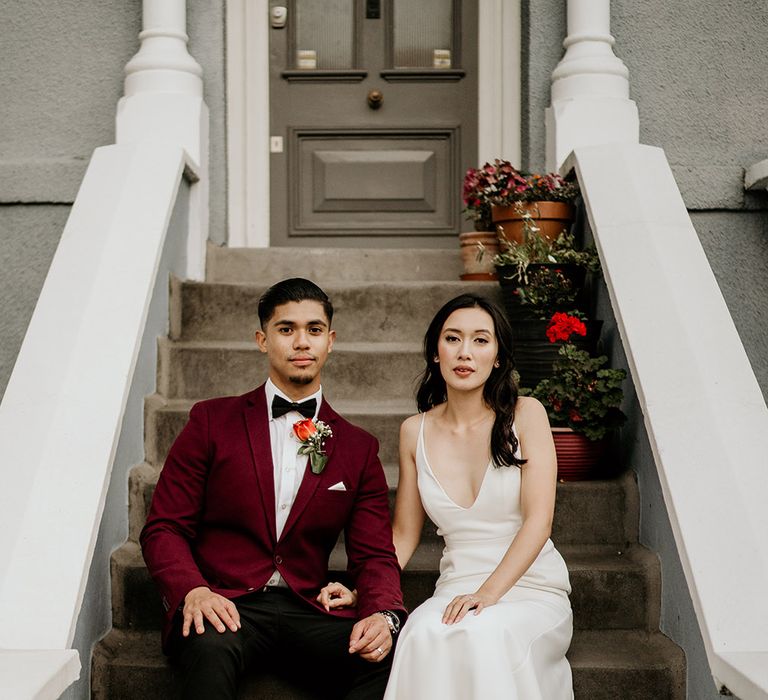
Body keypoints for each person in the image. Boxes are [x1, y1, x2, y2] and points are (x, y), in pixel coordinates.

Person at [141, 277, 406, 700]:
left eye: (314, 330)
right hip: (225, 601)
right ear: (263, 340)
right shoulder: (210, 421)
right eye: (287, 329)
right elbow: (165, 528)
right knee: (210, 645)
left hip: (307, 606)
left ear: (330, 341)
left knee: (388, 654)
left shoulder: (358, 448)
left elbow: (374, 553)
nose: (302, 342)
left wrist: (382, 614)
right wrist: (193, 590)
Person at [319, 294, 573, 699]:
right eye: (453, 339)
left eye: (480, 340)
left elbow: (539, 522)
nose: (465, 352)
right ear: (436, 352)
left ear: (499, 356)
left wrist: (486, 596)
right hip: (455, 588)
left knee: (483, 635)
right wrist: (361, 588)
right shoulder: (413, 431)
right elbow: (402, 534)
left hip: (529, 588)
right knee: (420, 634)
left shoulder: (527, 414)